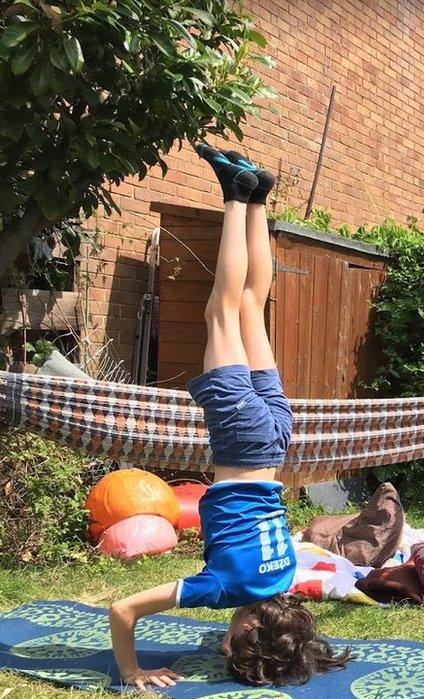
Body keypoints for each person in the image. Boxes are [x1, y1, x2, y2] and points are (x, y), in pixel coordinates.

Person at [109, 144, 350, 691]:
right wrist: (132, 671)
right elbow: (124, 610)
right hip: (241, 441)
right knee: (220, 306)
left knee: (249, 305)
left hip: (275, 440)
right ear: (246, 632)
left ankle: (259, 195)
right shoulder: (219, 588)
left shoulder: (283, 580)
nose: (223, 652)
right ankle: (236, 194)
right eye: (234, 653)